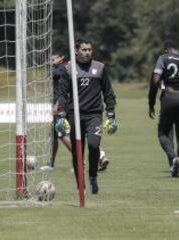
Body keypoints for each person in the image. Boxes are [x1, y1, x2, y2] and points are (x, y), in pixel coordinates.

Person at [56, 38, 117, 194]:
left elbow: (108, 92)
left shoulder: (100, 67)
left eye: (89, 49)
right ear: (76, 51)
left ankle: (92, 177)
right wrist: (61, 115)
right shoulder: (67, 69)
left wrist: (111, 115)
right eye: (84, 50)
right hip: (74, 115)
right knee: (78, 151)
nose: (87, 52)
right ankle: (80, 185)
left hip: (94, 115)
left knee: (94, 145)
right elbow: (62, 94)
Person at [148, 40, 179, 177]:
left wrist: (152, 101)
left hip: (169, 98)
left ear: (166, 50)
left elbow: (155, 79)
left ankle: (173, 158)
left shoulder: (163, 58)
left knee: (163, 133)